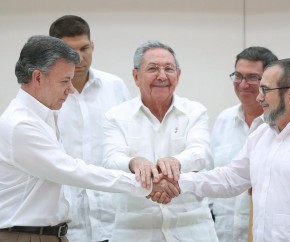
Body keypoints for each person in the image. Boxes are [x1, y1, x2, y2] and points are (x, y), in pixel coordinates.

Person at [0, 35, 178, 242]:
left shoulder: (43, 116)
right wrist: (146, 184)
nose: (70, 89)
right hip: (24, 236)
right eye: (65, 81)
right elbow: (74, 171)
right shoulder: (21, 124)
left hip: (46, 234)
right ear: (38, 78)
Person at [169, 58, 290, 241]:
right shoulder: (260, 135)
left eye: (265, 90)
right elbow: (229, 179)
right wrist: (176, 181)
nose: (259, 97)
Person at [102, 40, 218, 242]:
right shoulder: (116, 116)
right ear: (136, 76)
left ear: (178, 75)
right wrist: (134, 163)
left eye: (169, 69)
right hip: (134, 230)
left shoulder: (195, 112)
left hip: (193, 229)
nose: (162, 76)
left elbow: (202, 153)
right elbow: (111, 159)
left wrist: (176, 163)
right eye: (153, 69)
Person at [49, 15, 131, 242]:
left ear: (92, 45)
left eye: (85, 48)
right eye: (68, 50)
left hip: (114, 221)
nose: (78, 57)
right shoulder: (45, 94)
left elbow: (129, 143)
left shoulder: (115, 87)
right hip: (66, 224)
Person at [211, 47, 277, 242]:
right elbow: (213, 175)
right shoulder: (224, 119)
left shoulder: (281, 124)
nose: (243, 84)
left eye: (252, 78)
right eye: (238, 76)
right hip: (223, 234)